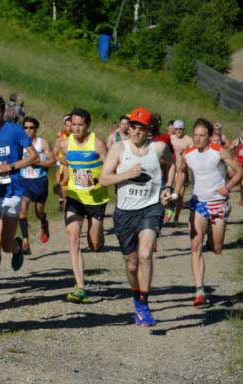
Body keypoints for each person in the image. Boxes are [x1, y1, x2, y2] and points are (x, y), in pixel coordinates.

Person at [100, 107, 175, 327]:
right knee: (131, 264)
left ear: (149, 129)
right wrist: (126, 175)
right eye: (133, 127)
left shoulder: (159, 148)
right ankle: (136, 296)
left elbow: (173, 165)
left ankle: (144, 304)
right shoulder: (118, 148)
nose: (136, 131)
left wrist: (168, 187)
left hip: (150, 209)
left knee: (145, 254)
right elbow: (104, 179)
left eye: (140, 128)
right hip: (124, 213)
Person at [0, 96, 38, 306]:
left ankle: (17, 247)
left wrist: (10, 167)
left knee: (6, 246)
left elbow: (33, 157)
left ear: (3, 113)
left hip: (12, 192)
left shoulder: (15, 130)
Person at [175, 118, 242, 307]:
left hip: (218, 204)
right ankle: (199, 292)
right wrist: (174, 193)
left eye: (201, 136)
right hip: (199, 204)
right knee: (195, 245)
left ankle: (212, 237)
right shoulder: (188, 154)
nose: (197, 139)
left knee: (217, 248)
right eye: (195, 135)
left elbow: (239, 170)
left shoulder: (218, 151)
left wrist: (228, 187)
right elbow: (181, 173)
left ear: (209, 136)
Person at [54, 108, 109, 303]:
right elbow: (54, 160)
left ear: (87, 126)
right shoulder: (64, 144)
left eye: (80, 125)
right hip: (75, 198)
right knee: (73, 239)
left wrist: (97, 182)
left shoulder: (98, 144)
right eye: (73, 124)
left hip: (96, 199)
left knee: (94, 244)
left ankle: (99, 237)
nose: (76, 128)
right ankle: (80, 287)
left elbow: (111, 169)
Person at [18, 116, 56, 254]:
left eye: (31, 128)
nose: (28, 130)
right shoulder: (19, 143)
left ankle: (44, 222)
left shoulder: (42, 143)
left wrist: (36, 162)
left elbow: (52, 162)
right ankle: (25, 242)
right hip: (24, 181)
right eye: (25, 127)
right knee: (22, 211)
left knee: (38, 212)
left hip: (39, 182)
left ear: (36, 129)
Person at [170, 119, 194, 226]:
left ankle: (176, 216)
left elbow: (194, 154)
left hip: (183, 172)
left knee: (180, 196)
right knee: (171, 194)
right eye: (177, 129)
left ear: (183, 129)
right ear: (174, 129)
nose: (179, 131)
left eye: (181, 129)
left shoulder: (188, 140)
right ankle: (169, 212)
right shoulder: (170, 138)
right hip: (172, 170)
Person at [53, 115, 72, 212]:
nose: (69, 128)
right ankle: (61, 201)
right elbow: (54, 152)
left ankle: (67, 203)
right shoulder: (60, 136)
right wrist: (59, 159)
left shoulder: (77, 137)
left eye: (71, 125)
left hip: (72, 165)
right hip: (61, 163)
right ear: (64, 125)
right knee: (61, 184)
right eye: (67, 125)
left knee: (65, 184)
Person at [229, 128, 243, 205]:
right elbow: (228, 149)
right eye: (242, 131)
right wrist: (233, 157)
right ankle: (241, 199)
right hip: (239, 164)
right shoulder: (237, 141)